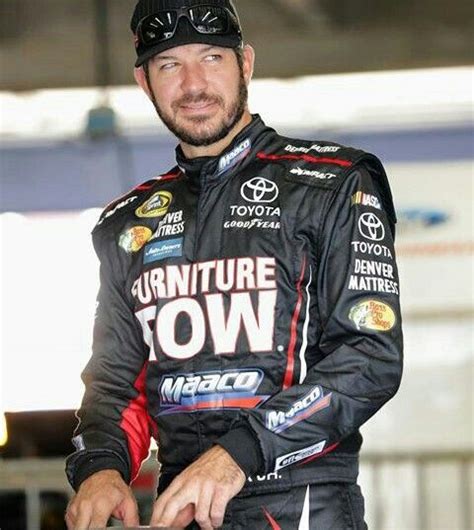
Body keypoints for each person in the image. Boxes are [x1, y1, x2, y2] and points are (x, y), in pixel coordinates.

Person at [65, 1, 403, 528]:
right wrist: (100, 467)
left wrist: (237, 455)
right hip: (181, 507)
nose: (194, 84)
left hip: (304, 502)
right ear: (144, 81)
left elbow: (368, 357)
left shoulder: (335, 185)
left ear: (245, 63)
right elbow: (114, 382)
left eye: (211, 58)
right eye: (169, 65)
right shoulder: (126, 224)